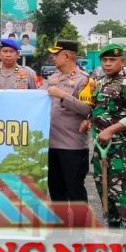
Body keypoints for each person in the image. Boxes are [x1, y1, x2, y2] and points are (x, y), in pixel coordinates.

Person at [89, 44, 126, 229]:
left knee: (121, 189)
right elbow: (98, 109)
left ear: (122, 61)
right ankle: (113, 230)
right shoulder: (100, 82)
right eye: (104, 60)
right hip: (100, 146)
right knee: (103, 186)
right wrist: (88, 120)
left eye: (112, 60)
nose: (107, 64)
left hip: (119, 147)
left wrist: (111, 130)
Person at [43, 41, 93, 206]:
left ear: (66, 56)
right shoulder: (52, 78)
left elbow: (87, 109)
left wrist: (63, 95)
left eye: (56, 54)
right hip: (51, 144)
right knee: (56, 191)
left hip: (72, 146)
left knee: (75, 190)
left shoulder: (84, 80)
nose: (53, 57)